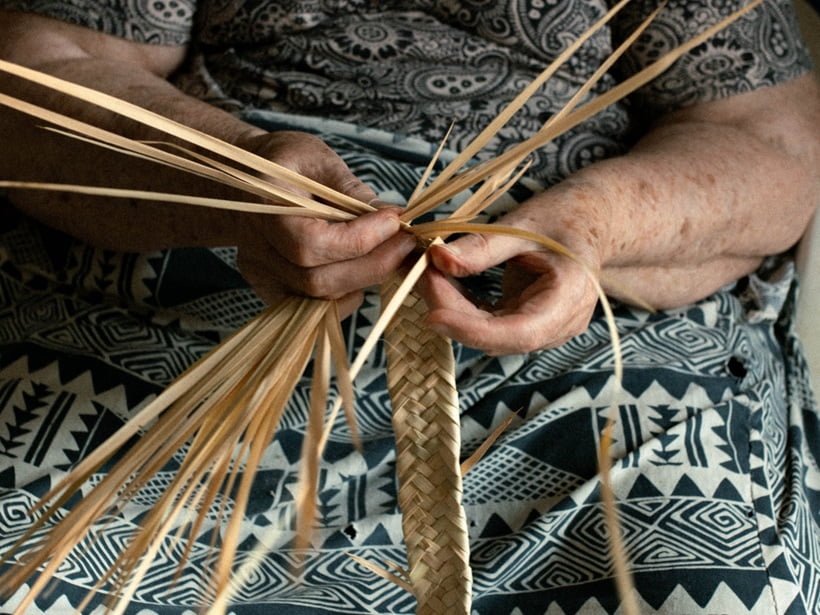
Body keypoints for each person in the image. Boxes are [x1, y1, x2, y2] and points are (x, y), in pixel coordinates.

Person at [0, 0, 818, 613]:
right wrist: (240, 173)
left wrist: (598, 224)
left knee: (698, 577)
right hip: (219, 249)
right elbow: (39, 66)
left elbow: (775, 144)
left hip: (576, 301)